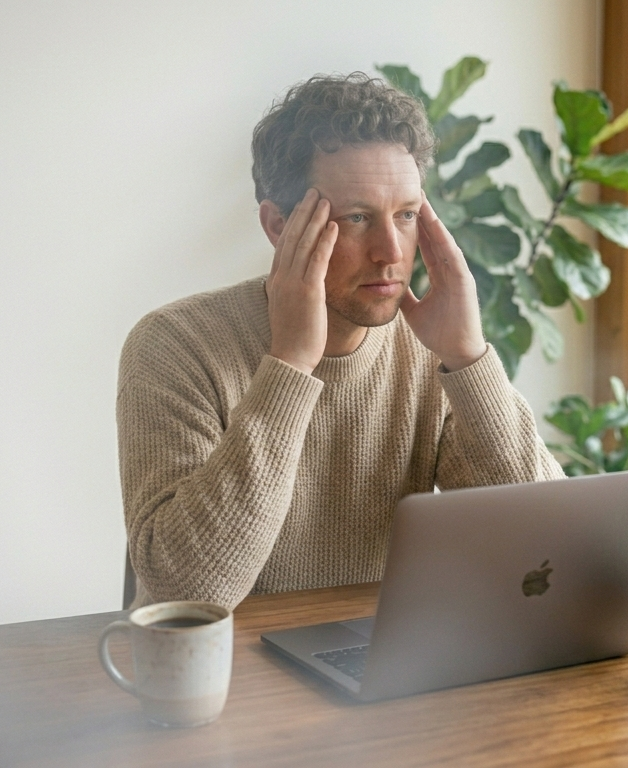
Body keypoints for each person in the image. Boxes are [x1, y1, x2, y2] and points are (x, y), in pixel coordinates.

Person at [117, 73, 563, 610]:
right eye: (357, 218)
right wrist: (289, 364)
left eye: (405, 216)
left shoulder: (429, 350)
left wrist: (468, 359)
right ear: (280, 226)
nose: (390, 252)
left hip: (375, 666)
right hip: (225, 679)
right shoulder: (174, 345)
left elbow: (544, 543)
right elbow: (187, 595)